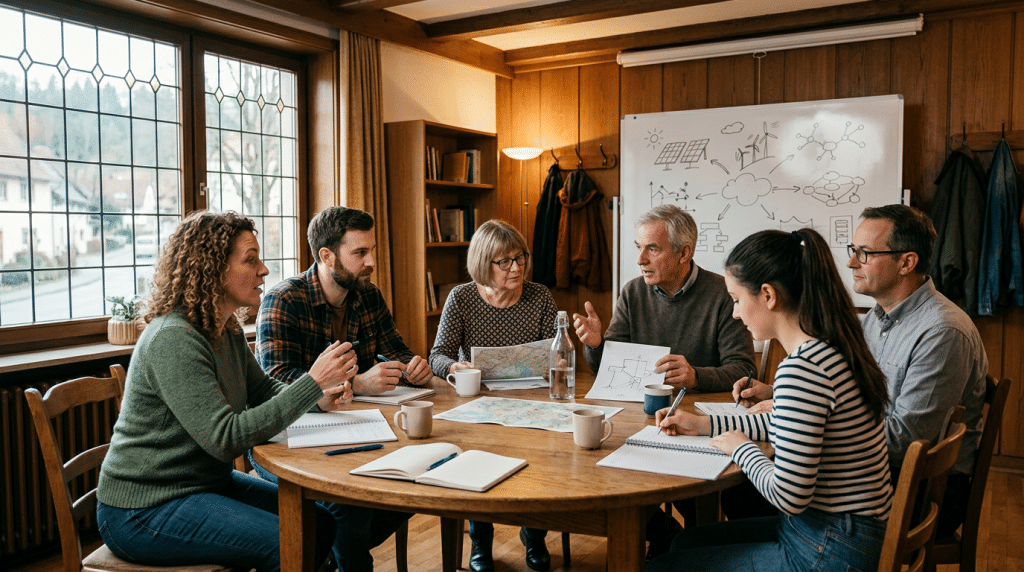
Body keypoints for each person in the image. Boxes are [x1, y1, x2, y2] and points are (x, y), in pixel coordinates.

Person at [96, 211, 356, 572]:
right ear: (212, 269)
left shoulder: (226, 327)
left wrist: (316, 398)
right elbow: (225, 438)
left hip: (203, 485)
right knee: (287, 542)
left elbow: (262, 389)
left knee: (321, 522)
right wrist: (310, 384)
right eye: (251, 260)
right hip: (143, 508)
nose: (264, 270)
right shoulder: (173, 338)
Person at [647, 228, 893, 572]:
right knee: (683, 542)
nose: (734, 313)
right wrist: (704, 424)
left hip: (831, 547)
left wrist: (741, 448)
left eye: (735, 299)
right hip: (842, 531)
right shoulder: (828, 347)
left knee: (662, 568)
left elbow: (789, 496)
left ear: (767, 295)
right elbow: (789, 423)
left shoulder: (802, 369)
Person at [736, 205, 987, 538]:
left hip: (923, 490)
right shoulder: (878, 317)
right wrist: (781, 395)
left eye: (864, 254)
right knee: (754, 483)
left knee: (747, 489)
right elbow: (854, 391)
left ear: (907, 263)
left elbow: (909, 440)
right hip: (880, 473)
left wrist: (802, 420)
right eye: (853, 250)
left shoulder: (942, 331)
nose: (851, 262)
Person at [255, 206, 419, 571]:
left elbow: (397, 351)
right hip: (285, 439)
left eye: (371, 250)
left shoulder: (367, 294)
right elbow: (275, 380)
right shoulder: (283, 300)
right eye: (360, 253)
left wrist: (414, 368)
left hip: (355, 427)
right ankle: (344, 556)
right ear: (326, 256)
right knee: (350, 503)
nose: (371, 261)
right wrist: (357, 383)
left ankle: (334, 548)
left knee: (415, 484)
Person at [429, 219, 558, 572]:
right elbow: (437, 354)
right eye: (505, 262)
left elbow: (554, 352)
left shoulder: (539, 295)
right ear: (484, 264)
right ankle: (480, 540)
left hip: (535, 401)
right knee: (477, 459)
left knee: (540, 460)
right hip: (478, 404)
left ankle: (534, 534)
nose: (516, 268)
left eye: (520, 258)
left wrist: (556, 358)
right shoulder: (463, 297)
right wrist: (454, 368)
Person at [573, 204, 755, 392]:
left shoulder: (724, 294)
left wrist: (696, 376)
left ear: (684, 253)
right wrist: (595, 345)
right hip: (642, 407)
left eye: (652, 249)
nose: (640, 260)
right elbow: (609, 368)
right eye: (639, 247)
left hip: (699, 409)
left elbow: (744, 371)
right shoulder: (632, 292)